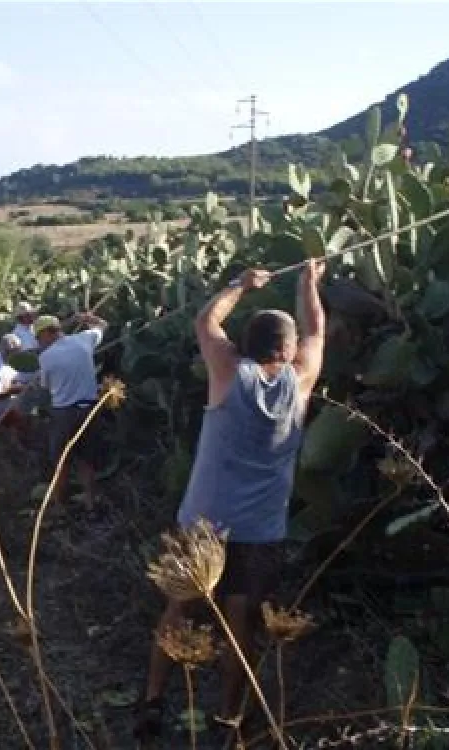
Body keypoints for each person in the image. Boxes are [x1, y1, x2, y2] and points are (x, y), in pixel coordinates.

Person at [134, 262, 326, 739]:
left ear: (247, 345)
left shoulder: (228, 373)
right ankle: (228, 717)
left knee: (179, 608)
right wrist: (309, 284)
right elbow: (317, 332)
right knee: (240, 621)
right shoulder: (300, 383)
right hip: (259, 532)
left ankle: (152, 702)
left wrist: (240, 285)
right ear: (286, 349)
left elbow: (205, 323)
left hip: (202, 521)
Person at [33, 311, 108, 510]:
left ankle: (59, 505)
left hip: (64, 413)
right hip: (90, 410)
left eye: (39, 338)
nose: (39, 342)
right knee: (87, 459)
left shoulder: (46, 358)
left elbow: (46, 388)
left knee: (60, 459)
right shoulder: (84, 340)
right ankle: (91, 503)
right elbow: (102, 326)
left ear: (46, 334)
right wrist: (86, 318)